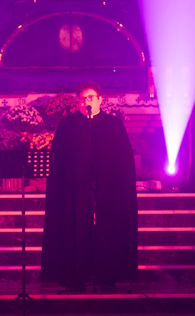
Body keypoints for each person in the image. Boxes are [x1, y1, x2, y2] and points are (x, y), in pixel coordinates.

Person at [41, 82, 138, 291]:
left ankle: (107, 276)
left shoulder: (113, 125)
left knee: (108, 228)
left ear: (100, 100)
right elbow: (58, 159)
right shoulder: (67, 125)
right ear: (77, 102)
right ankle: (75, 277)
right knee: (74, 230)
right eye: (83, 98)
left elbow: (123, 159)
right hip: (74, 190)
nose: (87, 102)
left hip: (107, 189)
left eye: (91, 97)